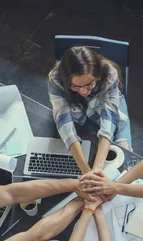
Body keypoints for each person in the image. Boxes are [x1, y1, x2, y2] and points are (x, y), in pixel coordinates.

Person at [48, 46, 131, 174]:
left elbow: (110, 118)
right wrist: (86, 171)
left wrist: (97, 169)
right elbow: (64, 123)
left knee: (125, 156)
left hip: (110, 108)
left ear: (98, 76)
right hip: (79, 113)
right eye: (75, 86)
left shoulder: (109, 73)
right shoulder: (55, 79)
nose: (83, 91)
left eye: (89, 84)